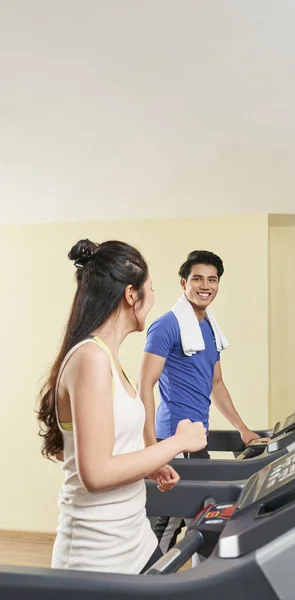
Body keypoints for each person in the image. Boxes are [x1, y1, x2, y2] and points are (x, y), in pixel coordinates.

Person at [37, 239, 207, 575]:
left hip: (135, 540)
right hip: (98, 557)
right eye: (151, 288)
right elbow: (96, 473)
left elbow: (88, 449)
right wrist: (177, 442)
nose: (154, 298)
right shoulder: (90, 358)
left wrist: (148, 464)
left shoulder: (107, 357)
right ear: (131, 294)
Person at [138, 250, 259, 552]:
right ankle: (141, 585)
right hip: (172, 437)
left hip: (195, 438)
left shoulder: (208, 327)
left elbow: (216, 382)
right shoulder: (167, 325)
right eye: (197, 279)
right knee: (168, 520)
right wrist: (152, 446)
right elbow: (145, 384)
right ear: (183, 283)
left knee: (191, 519)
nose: (205, 286)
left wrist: (243, 429)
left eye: (212, 279)